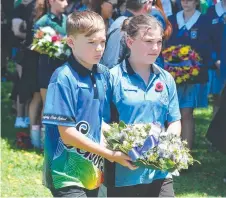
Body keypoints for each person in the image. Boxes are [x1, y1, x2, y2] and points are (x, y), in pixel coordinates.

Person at [42, 11, 135, 197]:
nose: (99, 48)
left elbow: (98, 123)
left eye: (102, 42)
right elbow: (67, 134)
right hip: (65, 175)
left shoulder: (102, 74)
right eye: (91, 42)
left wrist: (130, 142)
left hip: (93, 173)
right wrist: (109, 154)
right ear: (71, 42)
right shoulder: (63, 78)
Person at [103, 14, 181, 197]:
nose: (155, 48)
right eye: (148, 41)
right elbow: (101, 122)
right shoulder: (112, 78)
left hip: (160, 171)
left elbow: (174, 121)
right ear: (130, 42)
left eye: (159, 42)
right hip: (124, 172)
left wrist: (165, 146)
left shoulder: (166, 79)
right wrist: (122, 149)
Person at [166, 0, 212, 149]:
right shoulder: (172, 19)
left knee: (186, 112)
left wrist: (192, 61)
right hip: (171, 74)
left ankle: (186, 154)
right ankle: (170, 151)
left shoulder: (204, 20)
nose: (185, 2)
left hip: (192, 75)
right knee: (171, 113)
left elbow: (207, 47)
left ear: (197, 2)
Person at [100, 0, 172, 68]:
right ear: (146, 6)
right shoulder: (122, 27)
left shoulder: (128, 24)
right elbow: (111, 64)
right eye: (151, 3)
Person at [34, 0, 68, 111]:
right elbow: (35, 46)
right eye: (62, 0)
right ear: (51, 1)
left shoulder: (67, 21)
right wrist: (50, 46)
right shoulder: (43, 22)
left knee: (64, 103)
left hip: (65, 68)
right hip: (47, 68)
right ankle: (46, 128)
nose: (66, 3)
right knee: (48, 104)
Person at [206, 0, 225, 116]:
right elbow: (207, 38)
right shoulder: (212, 11)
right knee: (218, 98)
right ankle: (217, 131)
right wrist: (215, 59)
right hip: (217, 64)